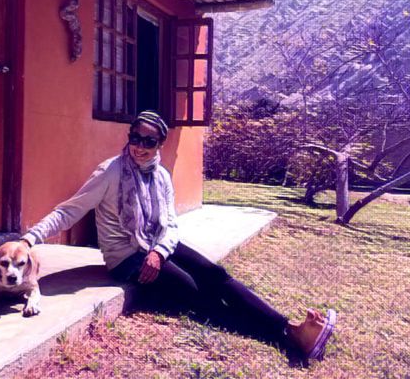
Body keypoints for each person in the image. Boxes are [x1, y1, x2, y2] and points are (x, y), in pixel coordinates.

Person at [20, 110, 336, 361]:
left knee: (215, 275)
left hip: (157, 246)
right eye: (135, 138)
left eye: (149, 141)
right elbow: (69, 210)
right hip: (126, 257)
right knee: (195, 294)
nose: (140, 147)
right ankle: (286, 338)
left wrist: (158, 252)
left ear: (160, 144)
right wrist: (29, 239)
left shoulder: (161, 175)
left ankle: (288, 325)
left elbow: (170, 225)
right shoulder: (110, 172)